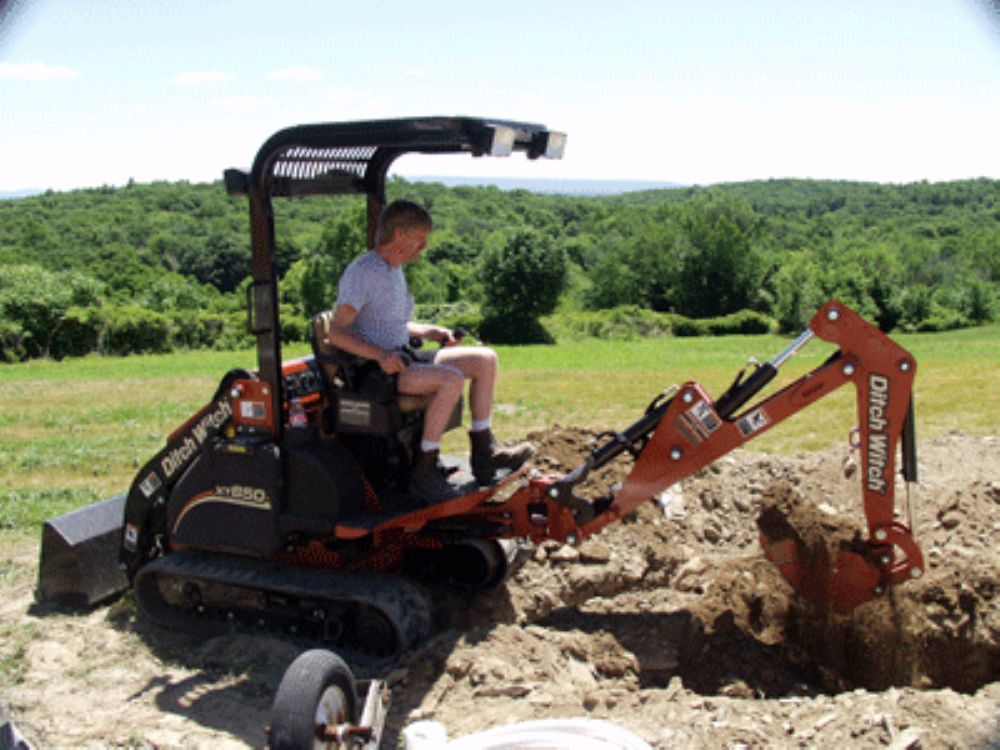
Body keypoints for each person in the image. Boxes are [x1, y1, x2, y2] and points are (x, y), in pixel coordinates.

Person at [325, 199, 534, 502]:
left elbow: (390, 324)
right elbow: (337, 332)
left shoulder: (393, 269)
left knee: (485, 360)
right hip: (378, 371)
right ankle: (423, 471)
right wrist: (381, 356)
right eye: (420, 239)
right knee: (449, 379)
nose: (424, 247)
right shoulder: (362, 273)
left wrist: (430, 331)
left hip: (401, 356)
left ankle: (484, 453)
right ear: (399, 234)